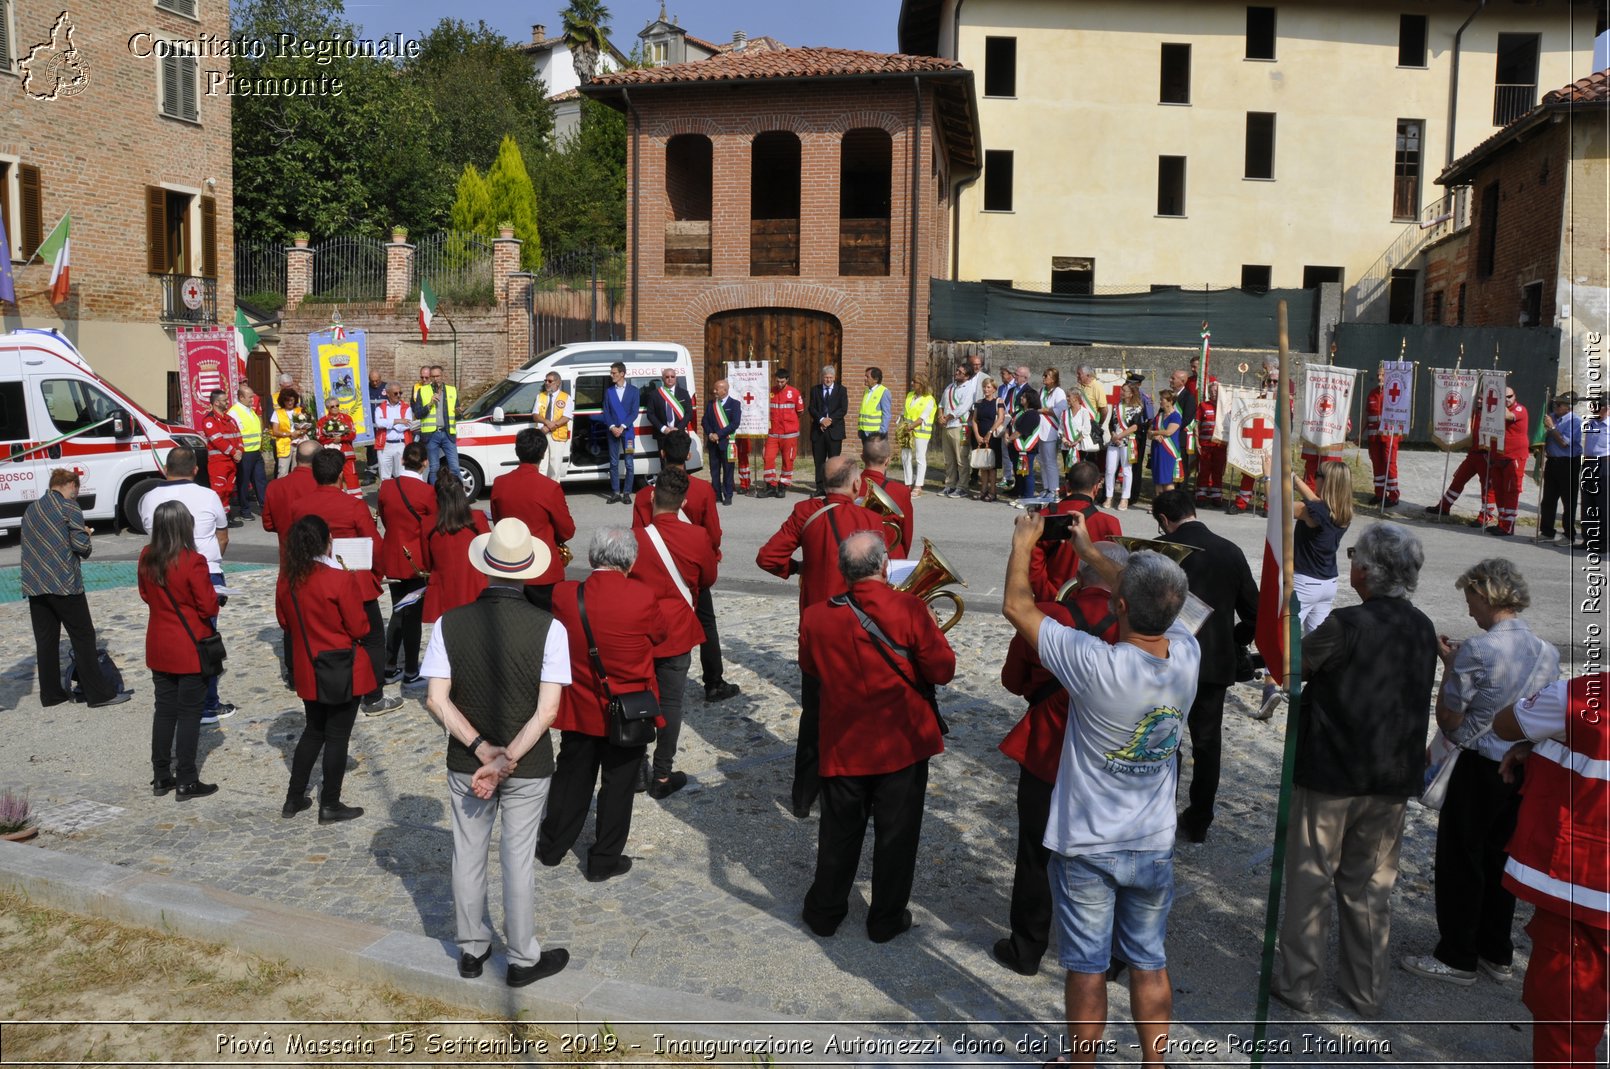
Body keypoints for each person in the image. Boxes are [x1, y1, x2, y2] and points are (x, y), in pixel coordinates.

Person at [1002, 512, 1199, 1066]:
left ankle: (1083, 1063)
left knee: (1086, 966)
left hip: (1089, 842)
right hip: (1153, 838)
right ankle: (1153, 1064)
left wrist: (1024, 544)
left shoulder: (1099, 666)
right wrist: (1093, 554)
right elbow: (1148, 600)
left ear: (1118, 608)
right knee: (1149, 961)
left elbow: (1017, 606)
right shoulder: (1187, 652)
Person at [1272, 523, 1438, 1019]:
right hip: (1390, 776)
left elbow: (1292, 666)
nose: (1351, 566)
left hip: (1333, 772)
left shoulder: (1346, 625)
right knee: (1370, 887)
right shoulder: (1423, 626)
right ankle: (1365, 991)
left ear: (1366, 570)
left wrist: (1285, 621)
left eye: (1354, 558)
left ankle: (1299, 985)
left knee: (1311, 879)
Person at [421, 517, 571, 988]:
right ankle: (523, 958)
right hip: (528, 764)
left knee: (467, 853)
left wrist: (483, 749)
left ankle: (471, 949)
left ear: (486, 567)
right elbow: (548, 712)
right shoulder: (550, 628)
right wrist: (507, 758)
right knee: (517, 858)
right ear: (528, 571)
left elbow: (435, 699)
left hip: (469, 761)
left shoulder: (450, 622)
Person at [1400, 559, 1558, 987]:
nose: (1468, 608)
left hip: (1478, 763)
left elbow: (1450, 718)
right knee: (1499, 857)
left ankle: (1457, 955)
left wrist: (1449, 664)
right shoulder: (1548, 652)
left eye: (1470, 598)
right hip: (1521, 764)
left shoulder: (1478, 649)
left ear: (1486, 595)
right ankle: (1496, 950)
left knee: (1460, 859)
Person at [799, 531, 956, 943]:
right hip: (902, 742)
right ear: (885, 566)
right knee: (897, 835)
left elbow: (811, 668)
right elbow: (942, 671)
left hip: (844, 742)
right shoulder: (910, 609)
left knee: (838, 833)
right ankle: (885, 919)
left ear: (841, 571)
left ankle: (825, 912)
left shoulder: (815, 616)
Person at [995, 542, 1127, 976]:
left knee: (1035, 851)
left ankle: (1027, 948)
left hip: (1049, 751)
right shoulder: (1140, 626)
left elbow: (1013, 681)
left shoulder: (1051, 616)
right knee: (1107, 855)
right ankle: (1105, 955)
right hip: (1111, 761)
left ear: (1083, 577)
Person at [757, 457, 889, 817]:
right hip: (862, 633)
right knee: (861, 717)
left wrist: (801, 568)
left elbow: (768, 557)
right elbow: (886, 576)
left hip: (816, 632)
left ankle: (802, 798)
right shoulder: (871, 520)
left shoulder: (804, 511)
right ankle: (853, 797)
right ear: (855, 484)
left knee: (814, 717)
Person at [1492, 673, 1610, 1067]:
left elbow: (1506, 722)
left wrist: (1541, 740)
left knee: (1567, 1020)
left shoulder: (1580, 696)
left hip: (1586, 890)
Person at [540, 526, 670, 881]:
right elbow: (660, 636)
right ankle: (603, 860)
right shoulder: (642, 596)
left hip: (580, 704)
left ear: (592, 557)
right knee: (618, 786)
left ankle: (552, 846)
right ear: (629, 560)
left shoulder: (566, 595)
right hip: (629, 708)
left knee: (571, 778)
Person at [1153, 490, 1259, 842]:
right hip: (1213, 661)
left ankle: (1159, 812)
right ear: (1193, 511)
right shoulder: (1230, 551)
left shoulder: (1160, 551)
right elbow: (1255, 614)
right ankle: (1200, 820)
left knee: (1164, 739)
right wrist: (1235, 640)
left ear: (1165, 521)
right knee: (1207, 744)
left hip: (1166, 660)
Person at [277, 514, 376, 824]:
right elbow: (360, 626)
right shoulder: (339, 579)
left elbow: (285, 623)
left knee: (313, 732)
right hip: (341, 666)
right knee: (337, 737)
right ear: (325, 542)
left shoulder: (287, 581)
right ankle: (330, 803)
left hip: (309, 667)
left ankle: (294, 798)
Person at [288, 449, 401, 716]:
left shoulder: (299, 506)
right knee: (372, 638)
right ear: (341, 475)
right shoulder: (352, 505)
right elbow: (375, 543)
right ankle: (373, 697)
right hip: (354, 579)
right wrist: (376, 573)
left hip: (311, 580)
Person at [631, 431, 738, 704]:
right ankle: (713, 682)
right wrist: (711, 553)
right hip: (693, 569)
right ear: (689, 455)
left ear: (662, 454)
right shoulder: (702, 490)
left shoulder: (645, 495)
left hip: (654, 567)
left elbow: (637, 535)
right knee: (707, 624)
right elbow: (712, 533)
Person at [630, 468, 716, 799]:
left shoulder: (636, 538)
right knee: (671, 703)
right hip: (678, 629)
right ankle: (662, 775)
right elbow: (707, 578)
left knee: (638, 699)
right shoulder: (696, 536)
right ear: (683, 501)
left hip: (640, 630)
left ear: (652, 498)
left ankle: (637, 769)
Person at [139, 446, 235, 724]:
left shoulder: (149, 498)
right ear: (195, 470)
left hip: (162, 571)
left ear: (165, 470)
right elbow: (223, 537)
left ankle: (174, 700)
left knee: (169, 629)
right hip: (204, 570)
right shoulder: (208, 495)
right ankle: (207, 704)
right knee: (206, 638)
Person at [22, 468, 127, 708]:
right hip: (63, 583)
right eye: (76, 490)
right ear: (70, 484)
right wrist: (87, 534)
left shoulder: (31, 508)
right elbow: (81, 547)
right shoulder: (68, 507)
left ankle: (51, 694)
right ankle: (99, 694)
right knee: (83, 636)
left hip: (35, 583)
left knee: (46, 640)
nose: (76, 495)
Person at [139, 500, 221, 800]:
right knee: (189, 713)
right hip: (189, 645)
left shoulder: (147, 556)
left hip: (159, 642)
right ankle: (187, 777)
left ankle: (161, 775)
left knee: (164, 710)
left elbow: (145, 594)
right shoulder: (192, 560)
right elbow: (207, 605)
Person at [489, 428, 575, 612]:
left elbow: (499, 523)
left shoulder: (500, 483)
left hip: (509, 567)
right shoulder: (549, 488)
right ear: (543, 454)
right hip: (544, 572)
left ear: (517, 451)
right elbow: (567, 531)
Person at [378, 442, 437, 687]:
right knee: (409, 616)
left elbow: (384, 517)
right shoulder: (427, 493)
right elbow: (433, 528)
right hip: (416, 563)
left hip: (392, 556)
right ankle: (410, 669)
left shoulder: (386, 488)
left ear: (402, 460)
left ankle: (390, 665)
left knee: (400, 611)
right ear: (425, 463)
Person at [264, 440, 320, 687]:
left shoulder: (276, 487)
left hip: (288, 560)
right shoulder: (321, 485)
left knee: (291, 617)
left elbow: (268, 524)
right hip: (318, 561)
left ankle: (293, 671)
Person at [1028, 460, 1122, 602]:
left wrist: (1053, 598)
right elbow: (1115, 569)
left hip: (1051, 603)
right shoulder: (1109, 523)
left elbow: (1033, 568)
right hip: (1093, 605)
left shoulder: (1043, 517)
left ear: (1067, 486)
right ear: (1096, 488)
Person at [423, 476, 492, 624]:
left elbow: (427, 562)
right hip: (474, 586)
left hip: (443, 589)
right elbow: (489, 553)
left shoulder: (428, 523)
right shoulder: (478, 518)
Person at [1485, 384, 1530, 537]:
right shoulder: (1497, 411)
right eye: (1503, 397)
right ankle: (1502, 522)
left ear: (1514, 396)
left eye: (1509, 397)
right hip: (1499, 456)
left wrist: (1498, 402)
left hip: (1514, 458)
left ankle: (1508, 526)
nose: (1507, 400)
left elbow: (1507, 416)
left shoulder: (1519, 410)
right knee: (1499, 490)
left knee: (1511, 491)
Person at [1537, 393, 1581, 545]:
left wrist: (1552, 428)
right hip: (1553, 461)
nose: (1556, 407)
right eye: (1555, 404)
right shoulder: (1552, 417)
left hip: (1568, 463)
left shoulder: (1574, 421)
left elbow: (1564, 443)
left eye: (1559, 405)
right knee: (1548, 499)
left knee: (1568, 501)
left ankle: (1569, 535)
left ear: (1568, 408)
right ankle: (1547, 531)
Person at [860, 434, 914, 557]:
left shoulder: (850, 486)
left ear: (862, 457)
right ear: (888, 460)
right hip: (890, 557)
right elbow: (906, 535)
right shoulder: (901, 491)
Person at [199, 389, 244, 526]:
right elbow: (218, 440)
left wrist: (240, 451)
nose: (227, 402)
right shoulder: (209, 420)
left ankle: (225, 517)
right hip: (218, 463)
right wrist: (234, 452)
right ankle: (216, 519)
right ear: (217, 402)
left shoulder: (230, 419)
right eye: (225, 400)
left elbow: (239, 437)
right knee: (219, 491)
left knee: (229, 490)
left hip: (232, 461)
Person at [762, 366, 805, 498]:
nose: (780, 384)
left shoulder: (794, 392)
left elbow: (800, 411)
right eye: (778, 381)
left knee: (788, 460)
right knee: (768, 458)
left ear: (787, 380)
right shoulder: (770, 392)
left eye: (782, 381)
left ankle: (783, 485)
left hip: (789, 434)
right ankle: (770, 486)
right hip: (773, 433)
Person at [1363, 367, 1403, 506]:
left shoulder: (1394, 394)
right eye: (1378, 374)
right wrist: (1360, 433)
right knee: (1377, 465)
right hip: (1374, 438)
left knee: (1389, 464)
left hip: (1389, 436)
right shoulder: (1372, 394)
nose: (1380, 378)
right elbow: (1367, 416)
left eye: (1383, 375)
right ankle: (1380, 494)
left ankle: (1393, 496)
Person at [602, 361, 640, 504]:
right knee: (613, 462)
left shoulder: (634, 391)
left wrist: (622, 427)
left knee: (629, 463)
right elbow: (606, 411)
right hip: (612, 432)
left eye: (614, 373)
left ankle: (627, 493)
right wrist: (612, 427)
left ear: (622, 374)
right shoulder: (609, 391)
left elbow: (634, 412)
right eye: (611, 373)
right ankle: (616, 492)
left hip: (628, 432)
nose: (611, 375)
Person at [415, 365, 461, 486]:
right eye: (433, 376)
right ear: (430, 377)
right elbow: (418, 413)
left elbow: (457, 415)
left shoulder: (452, 390)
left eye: (438, 376)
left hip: (448, 433)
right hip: (431, 435)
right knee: (434, 468)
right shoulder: (423, 391)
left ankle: (458, 496)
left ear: (443, 376)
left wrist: (459, 412)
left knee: (455, 467)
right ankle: (435, 496)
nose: (436, 379)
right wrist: (430, 404)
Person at [228, 384, 267, 521]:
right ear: (241, 397)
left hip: (255, 451)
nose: (253, 399)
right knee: (243, 482)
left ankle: (264, 508)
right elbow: (233, 434)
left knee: (260, 480)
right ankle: (245, 510)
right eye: (250, 397)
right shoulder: (234, 412)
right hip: (244, 453)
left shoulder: (250, 410)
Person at [938, 362, 976, 498]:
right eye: (957, 371)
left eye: (960, 372)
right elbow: (941, 403)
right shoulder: (950, 386)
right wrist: (940, 416)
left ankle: (963, 486)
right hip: (947, 426)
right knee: (948, 459)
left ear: (967, 376)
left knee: (961, 458)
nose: (956, 373)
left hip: (960, 426)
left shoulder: (969, 388)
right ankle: (950, 484)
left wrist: (947, 417)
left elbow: (962, 408)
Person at [808, 365, 848, 495]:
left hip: (834, 431)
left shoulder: (841, 390)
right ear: (822, 377)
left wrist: (829, 420)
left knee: (834, 462)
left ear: (834, 377)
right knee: (819, 462)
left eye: (830, 377)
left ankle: (833, 489)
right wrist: (821, 420)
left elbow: (843, 409)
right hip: (818, 431)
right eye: (826, 377)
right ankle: (820, 488)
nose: (828, 380)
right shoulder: (815, 390)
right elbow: (811, 408)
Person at [1104, 381, 1144, 510]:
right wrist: (1114, 435)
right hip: (1114, 442)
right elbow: (1111, 424)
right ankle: (1109, 496)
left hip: (1127, 442)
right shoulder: (1117, 406)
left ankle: (1124, 498)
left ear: (1131, 393)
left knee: (1127, 470)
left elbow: (1135, 426)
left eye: (1125, 390)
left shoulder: (1138, 407)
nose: (1122, 392)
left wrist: (1120, 436)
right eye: (1121, 390)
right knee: (1110, 469)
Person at [704, 379, 742, 506]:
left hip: (726, 442)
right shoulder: (711, 404)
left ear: (725, 390)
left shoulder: (735, 404)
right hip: (712, 442)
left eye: (717, 389)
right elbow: (705, 421)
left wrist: (718, 434)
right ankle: (716, 494)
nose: (714, 391)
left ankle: (728, 495)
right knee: (714, 470)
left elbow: (734, 423)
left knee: (728, 470)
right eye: (714, 389)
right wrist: (710, 434)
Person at [531, 371, 572, 483]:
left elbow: (566, 417)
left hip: (557, 436)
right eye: (545, 380)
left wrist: (549, 426)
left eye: (550, 381)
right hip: (542, 434)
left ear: (557, 383)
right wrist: (546, 422)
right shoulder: (540, 396)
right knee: (541, 465)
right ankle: (541, 492)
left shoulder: (566, 397)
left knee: (555, 466)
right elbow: (535, 415)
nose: (547, 383)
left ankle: (553, 493)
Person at [372, 383, 417, 482]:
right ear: (387, 394)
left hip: (401, 444)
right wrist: (398, 420)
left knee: (401, 474)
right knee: (384, 475)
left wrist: (388, 423)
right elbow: (379, 423)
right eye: (395, 393)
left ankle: (399, 496)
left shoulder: (406, 408)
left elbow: (407, 425)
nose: (399, 395)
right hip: (385, 445)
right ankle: (385, 496)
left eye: (400, 392)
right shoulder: (380, 408)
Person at [899, 375, 936, 495]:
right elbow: (905, 412)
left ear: (921, 384)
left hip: (920, 432)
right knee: (905, 456)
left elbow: (922, 417)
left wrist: (910, 427)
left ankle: (918, 485)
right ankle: (907, 483)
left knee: (920, 458)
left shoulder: (929, 399)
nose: (912, 383)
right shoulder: (910, 395)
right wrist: (902, 426)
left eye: (914, 382)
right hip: (907, 431)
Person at [969, 377, 1004, 502]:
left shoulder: (998, 401)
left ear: (994, 389)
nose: (986, 389)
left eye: (988, 387)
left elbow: (1000, 418)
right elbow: (974, 420)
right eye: (984, 387)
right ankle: (983, 491)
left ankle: (993, 492)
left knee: (992, 466)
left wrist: (990, 432)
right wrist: (977, 435)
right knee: (983, 465)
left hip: (992, 437)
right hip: (980, 436)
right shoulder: (978, 402)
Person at [1037, 368, 1069, 501]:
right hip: (1040, 429)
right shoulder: (1042, 391)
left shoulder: (1059, 392)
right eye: (1043, 375)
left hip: (1052, 429)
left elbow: (1060, 410)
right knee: (1042, 461)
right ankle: (1046, 487)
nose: (1044, 377)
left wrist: (1043, 410)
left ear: (1054, 378)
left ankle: (1054, 489)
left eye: (1047, 375)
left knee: (1050, 461)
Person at [314, 402, 360, 495]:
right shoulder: (322, 421)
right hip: (331, 455)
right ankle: (338, 497)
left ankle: (356, 498)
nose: (335, 407)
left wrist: (341, 438)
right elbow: (319, 438)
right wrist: (332, 439)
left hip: (347, 453)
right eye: (332, 406)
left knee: (352, 476)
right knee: (334, 476)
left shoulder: (347, 418)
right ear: (327, 408)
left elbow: (352, 435)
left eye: (337, 405)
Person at [1583, 394, 1609, 553]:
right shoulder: (1592, 423)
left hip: (1605, 463)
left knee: (1603, 505)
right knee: (1588, 503)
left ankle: (1604, 542)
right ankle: (1588, 539)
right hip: (1588, 462)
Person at [1194, 381, 1225, 507]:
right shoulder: (1203, 406)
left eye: (1216, 391)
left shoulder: (1225, 407)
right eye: (1211, 391)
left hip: (1220, 445)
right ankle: (1201, 494)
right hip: (1205, 444)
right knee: (1204, 470)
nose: (1213, 393)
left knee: (1218, 470)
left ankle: (1216, 495)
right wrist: (1197, 442)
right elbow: (1196, 425)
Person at [646, 366, 694, 444]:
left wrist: (678, 428)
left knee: (679, 456)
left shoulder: (684, 393)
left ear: (676, 378)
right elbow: (650, 414)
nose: (670, 379)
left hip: (679, 433)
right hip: (662, 434)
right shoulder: (654, 394)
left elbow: (689, 413)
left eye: (672, 376)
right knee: (663, 456)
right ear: (662, 378)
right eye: (667, 377)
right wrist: (663, 428)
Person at [1148, 389, 1183, 495]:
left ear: (1170, 401)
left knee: (1167, 481)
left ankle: (1170, 505)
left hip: (1168, 452)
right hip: (1157, 450)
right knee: (1158, 480)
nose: (1160, 401)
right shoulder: (1159, 416)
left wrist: (1154, 432)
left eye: (1162, 399)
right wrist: (1154, 436)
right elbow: (1149, 433)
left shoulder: (1176, 416)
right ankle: (1158, 504)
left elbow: (1168, 432)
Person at [269, 388, 308, 479]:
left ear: (295, 399)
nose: (290, 403)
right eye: (287, 400)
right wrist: (290, 434)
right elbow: (275, 431)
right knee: (282, 472)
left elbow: (307, 428)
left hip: (299, 443)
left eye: (291, 400)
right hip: (284, 444)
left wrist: (299, 432)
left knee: (297, 472)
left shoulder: (300, 411)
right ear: (283, 401)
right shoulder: (277, 413)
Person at [857, 366, 892, 444]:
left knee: (877, 456)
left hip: (876, 435)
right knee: (867, 455)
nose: (864, 378)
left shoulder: (884, 392)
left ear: (876, 379)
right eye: (865, 376)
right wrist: (860, 429)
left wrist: (881, 434)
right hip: (864, 433)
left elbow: (886, 415)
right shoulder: (866, 391)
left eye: (867, 376)